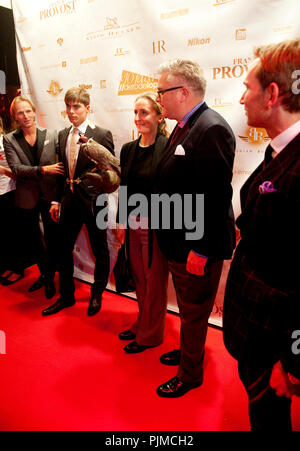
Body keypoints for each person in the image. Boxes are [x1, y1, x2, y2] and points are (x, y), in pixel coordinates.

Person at [223, 39, 300, 431]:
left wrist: (293, 363)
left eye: (247, 88)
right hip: (257, 332)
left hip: (275, 346)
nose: (240, 99)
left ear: (271, 94)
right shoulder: (280, 149)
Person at [154, 59, 236, 397]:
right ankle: (190, 352)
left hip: (196, 245)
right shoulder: (186, 124)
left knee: (194, 310)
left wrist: (201, 249)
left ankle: (190, 374)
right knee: (190, 310)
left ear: (183, 92)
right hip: (180, 240)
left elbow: (217, 196)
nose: (158, 98)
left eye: (162, 92)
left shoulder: (211, 127)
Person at [42, 87, 114, 316]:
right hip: (69, 201)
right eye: (68, 107)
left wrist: (95, 188)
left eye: (77, 107)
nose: (72, 112)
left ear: (87, 108)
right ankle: (67, 296)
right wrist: (55, 201)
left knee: (100, 251)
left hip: (94, 202)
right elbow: (61, 172)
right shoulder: (63, 135)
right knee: (62, 249)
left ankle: (97, 293)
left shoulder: (101, 134)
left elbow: (111, 174)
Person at [116, 92, 169, 354]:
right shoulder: (129, 149)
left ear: (159, 116)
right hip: (133, 225)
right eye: (136, 112)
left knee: (154, 281)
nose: (138, 118)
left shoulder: (168, 147)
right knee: (139, 278)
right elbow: (124, 188)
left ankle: (150, 334)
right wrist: (121, 222)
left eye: (145, 113)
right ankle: (142, 322)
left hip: (157, 226)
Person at [3, 97, 63, 296]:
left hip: (50, 196)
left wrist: (57, 196)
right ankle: (46, 276)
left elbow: (62, 167)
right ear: (15, 117)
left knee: (54, 238)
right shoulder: (10, 139)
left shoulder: (52, 134)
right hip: (26, 197)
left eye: (28, 111)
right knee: (34, 240)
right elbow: (17, 169)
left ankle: (52, 275)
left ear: (34, 111)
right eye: (20, 113)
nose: (25, 116)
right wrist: (44, 169)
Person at [0, 117, 23, 284]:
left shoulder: (5, 141)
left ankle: (17, 268)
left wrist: (1, 169)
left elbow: (17, 172)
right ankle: (7, 265)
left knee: (13, 232)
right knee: (4, 233)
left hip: (9, 190)